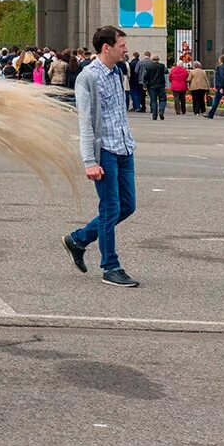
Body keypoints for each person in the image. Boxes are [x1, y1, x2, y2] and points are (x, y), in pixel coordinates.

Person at [63, 25, 140, 288]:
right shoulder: (89, 77)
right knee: (110, 209)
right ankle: (111, 267)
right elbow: (85, 122)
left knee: (127, 205)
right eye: (121, 45)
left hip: (124, 148)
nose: (126, 49)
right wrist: (89, 162)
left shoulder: (118, 72)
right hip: (104, 152)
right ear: (106, 48)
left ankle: (79, 239)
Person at [142, 53, 167, 121]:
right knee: (163, 99)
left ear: (152, 59)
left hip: (152, 86)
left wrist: (144, 84)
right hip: (161, 85)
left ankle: (154, 115)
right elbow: (166, 71)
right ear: (158, 59)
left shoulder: (148, 67)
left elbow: (145, 76)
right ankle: (161, 111)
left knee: (153, 101)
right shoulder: (162, 66)